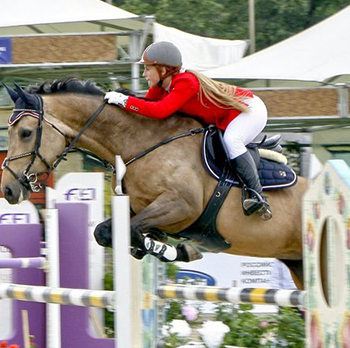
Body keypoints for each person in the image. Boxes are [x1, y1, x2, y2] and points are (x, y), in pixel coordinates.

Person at [103, 41, 272, 219]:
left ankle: (258, 196)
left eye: (147, 68)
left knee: (232, 140)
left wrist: (124, 100)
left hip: (249, 110)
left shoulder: (186, 82)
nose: (144, 74)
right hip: (226, 117)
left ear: (163, 70)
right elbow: (147, 109)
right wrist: (124, 102)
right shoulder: (160, 88)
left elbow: (160, 111)